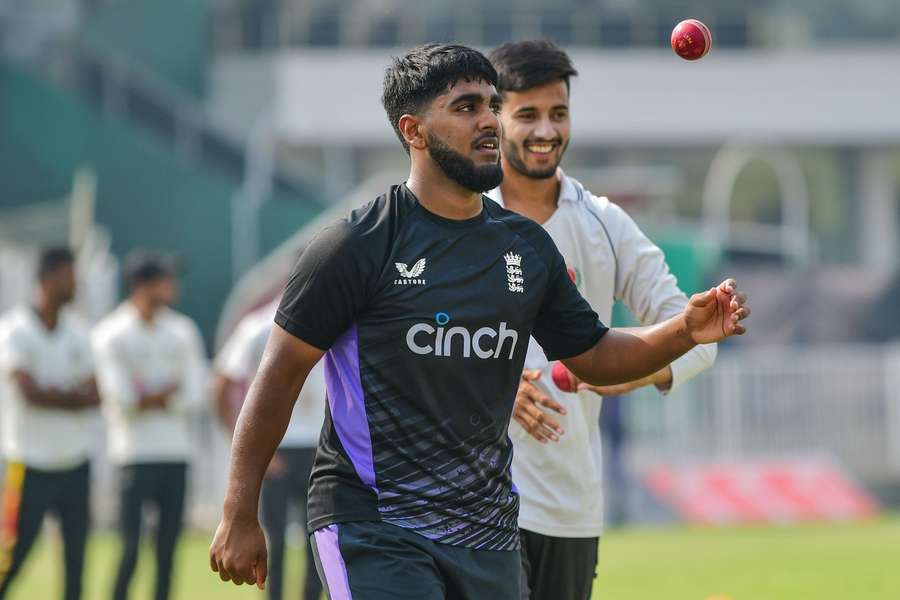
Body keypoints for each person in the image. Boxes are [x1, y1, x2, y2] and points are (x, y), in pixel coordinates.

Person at [209, 43, 749, 600]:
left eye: (493, 105)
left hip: (487, 532)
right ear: (414, 131)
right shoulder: (355, 246)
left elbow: (596, 354)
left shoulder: (525, 247)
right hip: (374, 522)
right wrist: (238, 511)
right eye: (467, 107)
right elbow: (277, 374)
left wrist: (683, 330)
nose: (490, 120)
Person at [486, 39, 723, 599]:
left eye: (558, 113)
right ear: (495, 117)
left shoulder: (605, 223)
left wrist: (620, 373)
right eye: (527, 115)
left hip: (572, 507)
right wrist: (491, 382)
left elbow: (697, 338)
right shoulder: (461, 217)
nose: (546, 130)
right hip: (477, 503)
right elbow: (406, 338)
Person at [93, 252, 208, 600]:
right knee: (130, 550)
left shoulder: (183, 330)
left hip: (176, 455)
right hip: (133, 455)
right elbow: (122, 400)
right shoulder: (111, 333)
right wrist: (166, 391)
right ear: (143, 286)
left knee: (168, 553)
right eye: (165, 280)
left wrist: (149, 394)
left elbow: (195, 394)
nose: (173, 286)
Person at [0, 247, 99, 600]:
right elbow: (28, 393)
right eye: (70, 276)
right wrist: (71, 397)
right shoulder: (15, 329)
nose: (76, 284)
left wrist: (53, 393)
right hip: (29, 463)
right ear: (49, 278)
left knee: (76, 564)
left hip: (75, 463)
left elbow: (96, 394)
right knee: (12, 557)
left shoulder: (79, 332)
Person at [212, 301, 325, 600]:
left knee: (320, 538)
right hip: (277, 447)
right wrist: (249, 448)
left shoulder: (334, 317)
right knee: (274, 538)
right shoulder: (259, 325)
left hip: (318, 446)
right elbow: (222, 385)